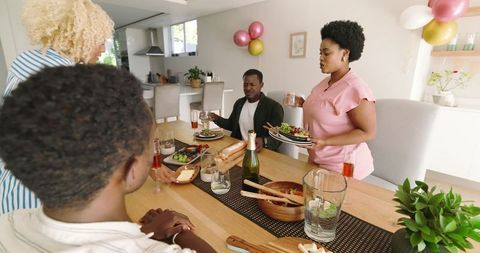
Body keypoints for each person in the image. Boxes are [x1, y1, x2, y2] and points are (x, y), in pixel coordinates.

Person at [0, 64, 215, 252]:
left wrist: (144, 230)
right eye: (151, 145)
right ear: (131, 168)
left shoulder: (8, 223)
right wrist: (181, 233)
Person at [0, 0, 176, 215]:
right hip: (41, 205)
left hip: (10, 192)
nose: (103, 49)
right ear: (81, 38)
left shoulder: (25, 61)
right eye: (100, 41)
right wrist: (147, 163)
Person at [300, 20, 376, 179]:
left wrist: (325, 142)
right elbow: (325, 109)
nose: (320, 57)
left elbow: (367, 132)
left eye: (326, 53)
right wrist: (302, 103)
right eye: (319, 53)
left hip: (343, 167)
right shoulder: (325, 83)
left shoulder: (355, 89)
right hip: (317, 161)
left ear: (344, 54)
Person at [208, 69, 284, 152]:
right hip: (240, 148)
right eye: (245, 84)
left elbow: (279, 137)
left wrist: (263, 141)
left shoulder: (274, 107)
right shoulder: (239, 103)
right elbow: (231, 125)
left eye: (252, 85)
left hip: (262, 151)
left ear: (261, 85)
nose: (248, 88)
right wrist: (216, 118)